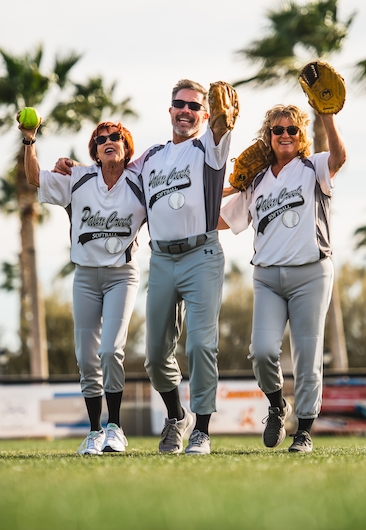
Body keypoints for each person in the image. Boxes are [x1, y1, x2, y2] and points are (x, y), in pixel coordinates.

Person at [55, 79, 236, 455]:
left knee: (201, 345)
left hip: (201, 255)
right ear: (170, 110)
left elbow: (221, 130)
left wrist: (224, 120)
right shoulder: (152, 157)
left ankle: (201, 431)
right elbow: (113, 167)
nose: (186, 111)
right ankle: (177, 416)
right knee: (155, 357)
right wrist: (74, 169)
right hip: (162, 258)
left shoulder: (208, 147)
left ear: (204, 115)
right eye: (180, 104)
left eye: (194, 106)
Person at [219, 104, 346, 453]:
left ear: (301, 135)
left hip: (311, 273)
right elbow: (223, 221)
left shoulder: (313, 167)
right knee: (261, 352)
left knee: (307, 356)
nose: (285, 134)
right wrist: (219, 189)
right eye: (278, 130)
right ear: (269, 136)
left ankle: (303, 431)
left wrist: (327, 116)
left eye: (292, 129)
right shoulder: (256, 179)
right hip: (268, 277)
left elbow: (339, 158)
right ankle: (277, 406)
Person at [21, 116, 146, 455]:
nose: (108, 141)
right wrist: (30, 139)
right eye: (101, 139)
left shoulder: (139, 182)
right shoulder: (79, 178)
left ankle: (115, 429)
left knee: (110, 351)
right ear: (95, 151)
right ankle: (94, 432)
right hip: (86, 277)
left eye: (115, 136)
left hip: (122, 275)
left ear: (126, 147)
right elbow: (34, 177)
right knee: (87, 359)